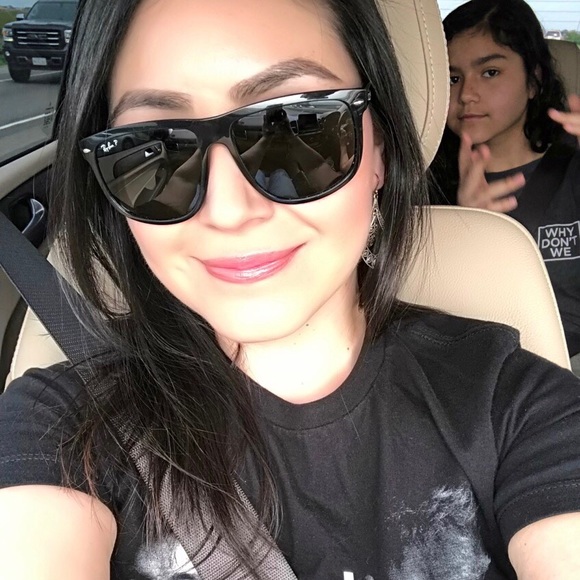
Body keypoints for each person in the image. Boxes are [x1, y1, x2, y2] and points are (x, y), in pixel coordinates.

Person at [1, 0, 580, 578]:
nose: (229, 210)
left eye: (295, 128)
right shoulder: (60, 422)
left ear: (379, 151)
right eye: (155, 149)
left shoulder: (516, 408)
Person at [431, 0, 580, 370]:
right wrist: (466, 230)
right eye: (452, 78)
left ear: (534, 81)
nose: (467, 94)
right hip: (486, 373)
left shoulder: (574, 168)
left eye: (490, 72)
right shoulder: (420, 183)